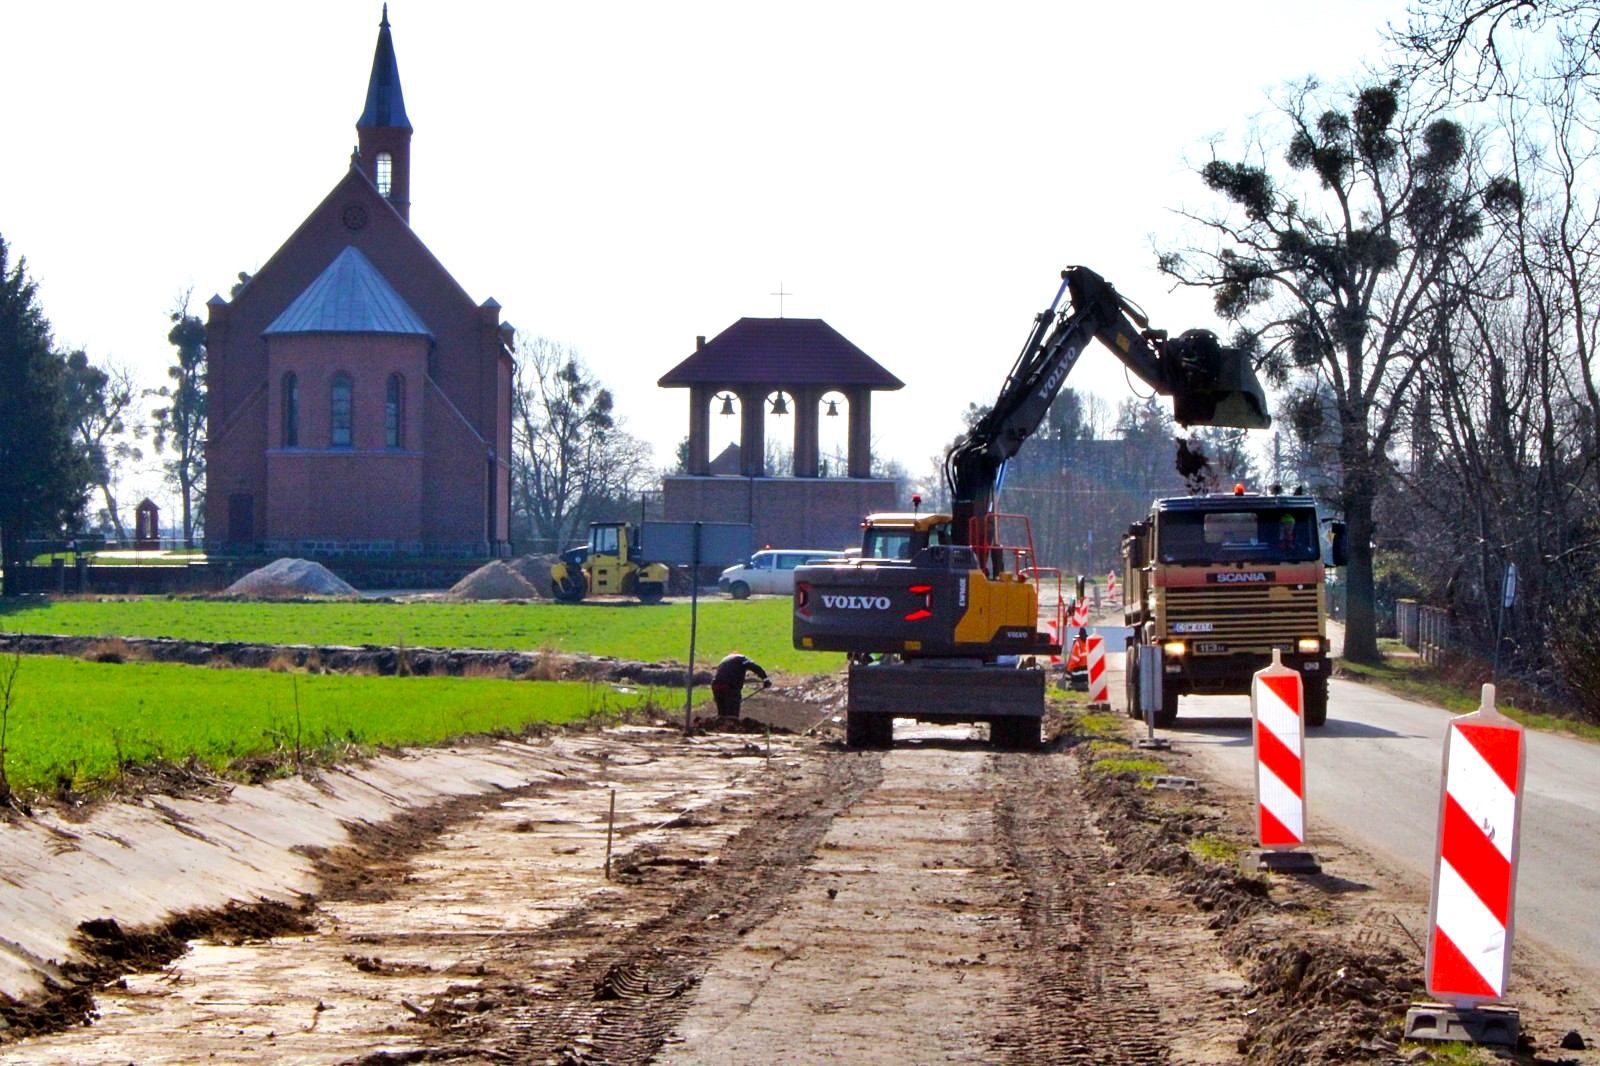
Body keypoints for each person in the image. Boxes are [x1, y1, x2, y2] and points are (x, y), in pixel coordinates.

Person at [712, 652, 770, 718]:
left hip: (716, 685)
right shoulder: (742, 658)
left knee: (722, 714)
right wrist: (765, 679)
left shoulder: (724, 660)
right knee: (732, 715)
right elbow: (753, 666)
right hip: (730, 685)